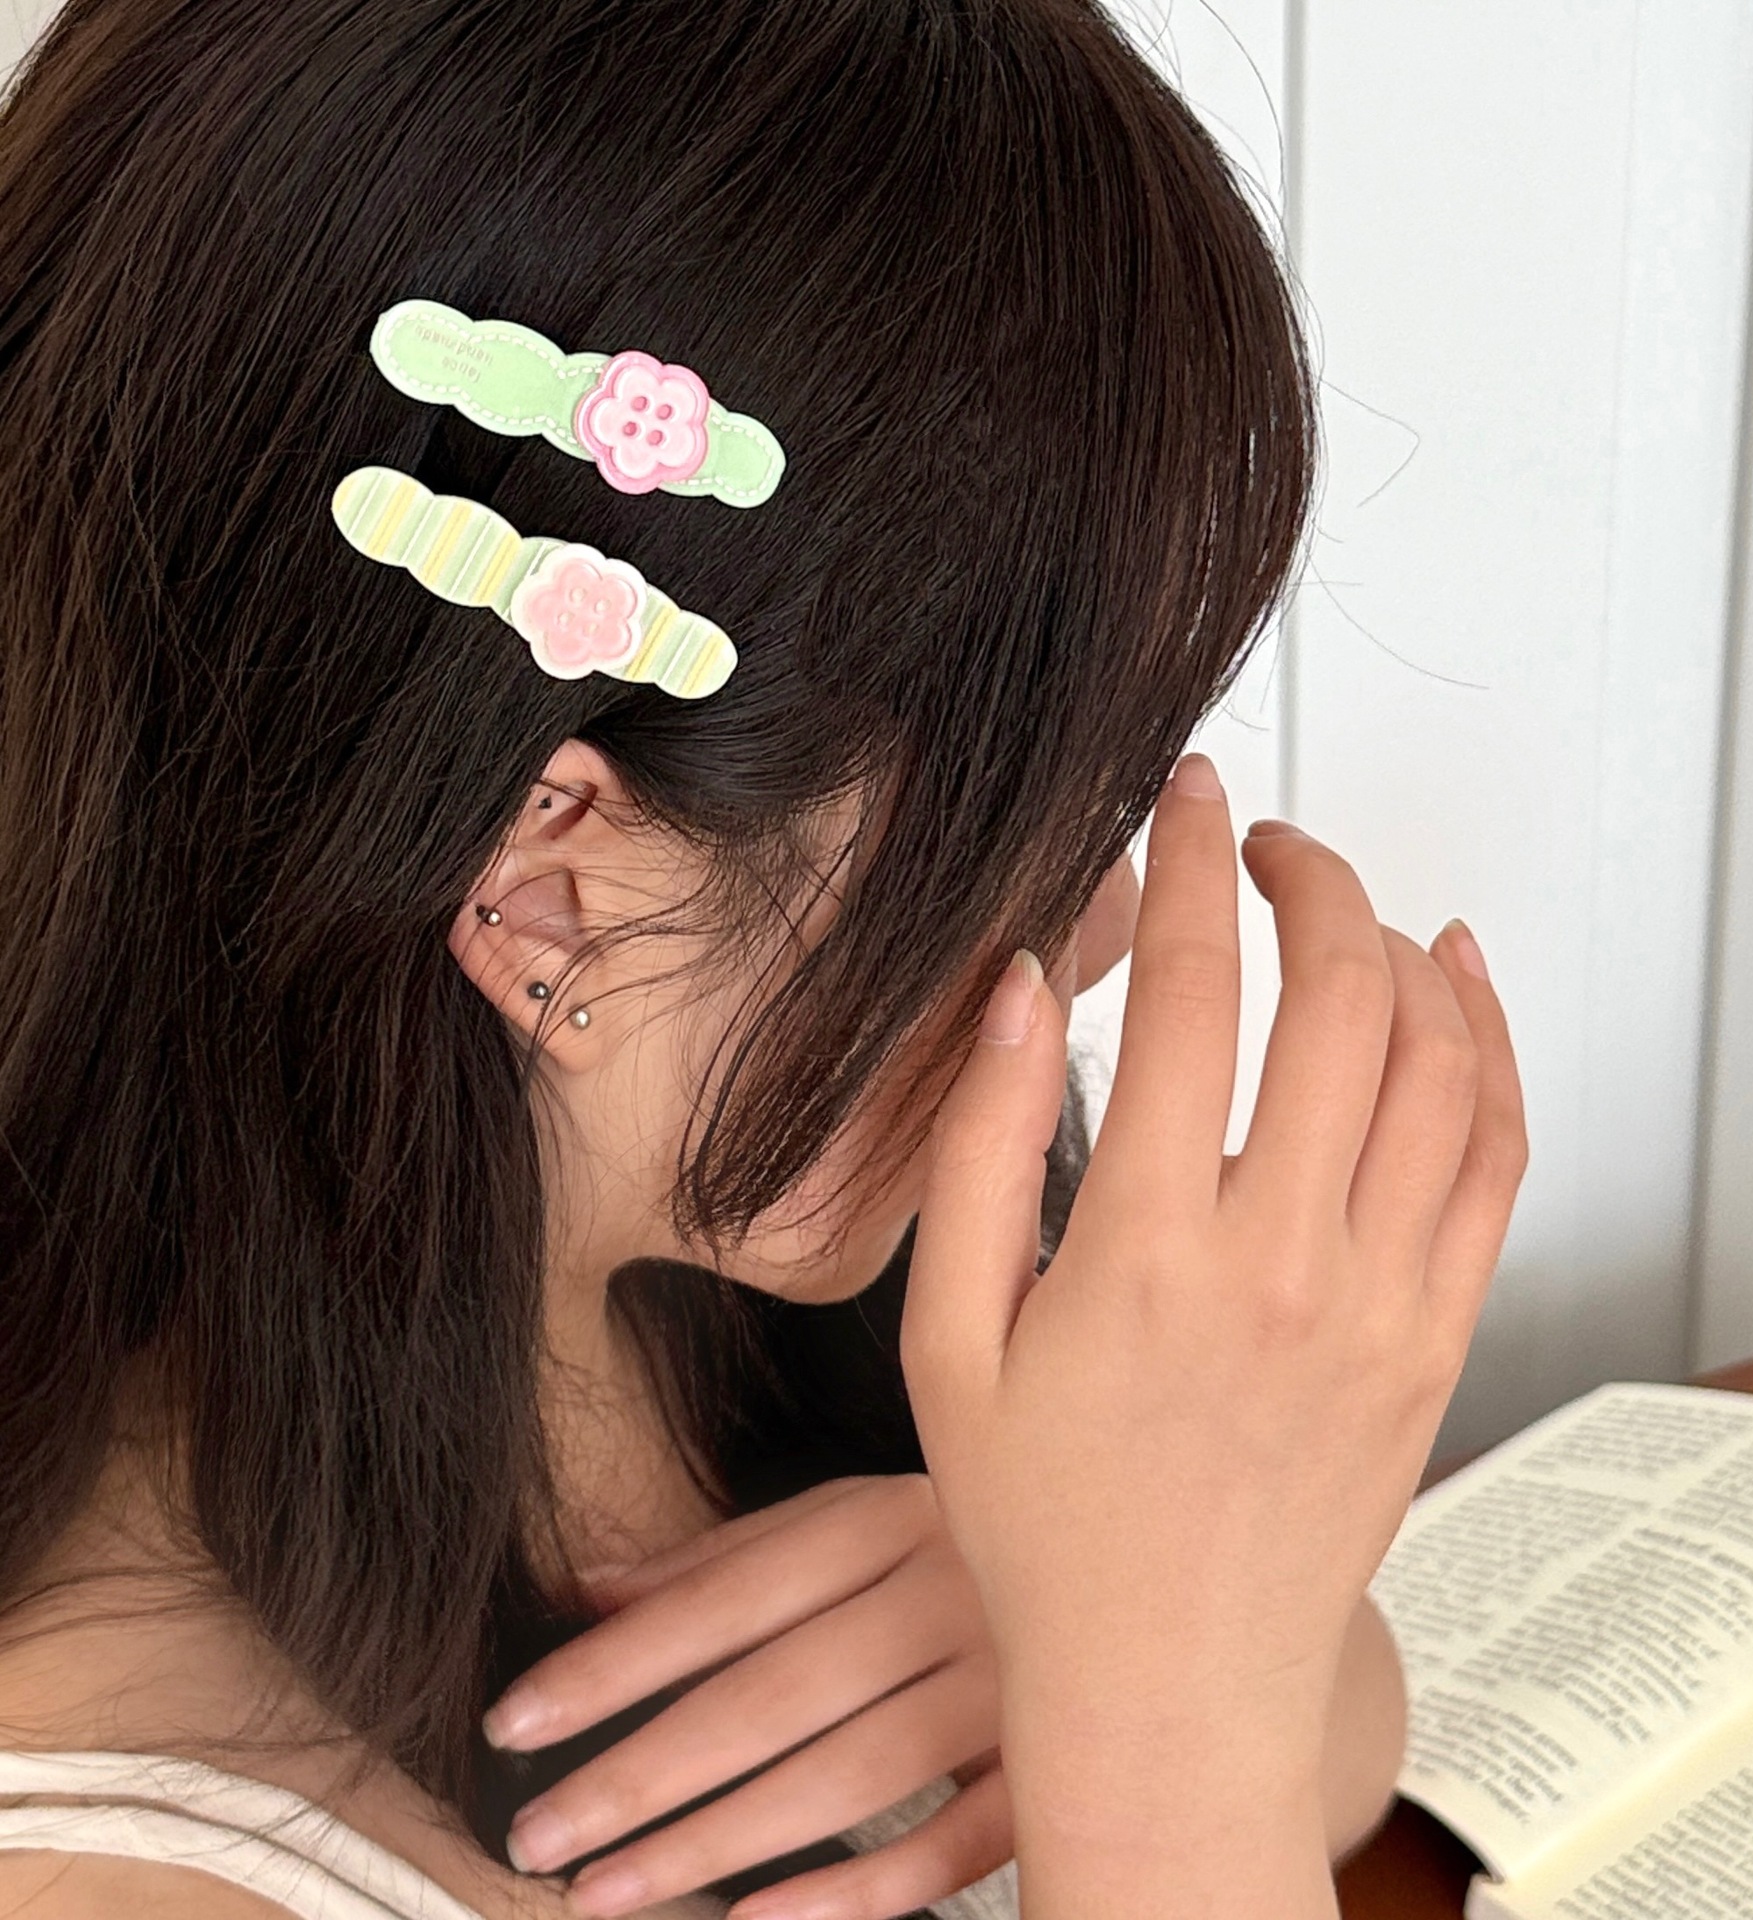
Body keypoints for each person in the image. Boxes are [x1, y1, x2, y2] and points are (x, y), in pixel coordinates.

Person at [0, 0, 1528, 1916]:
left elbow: (1348, 1734)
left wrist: (1119, 1633)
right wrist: (1166, 1737)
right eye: (1043, 823)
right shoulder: (128, 1878)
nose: (1112, 917)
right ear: (555, 897)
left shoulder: (719, 1286)